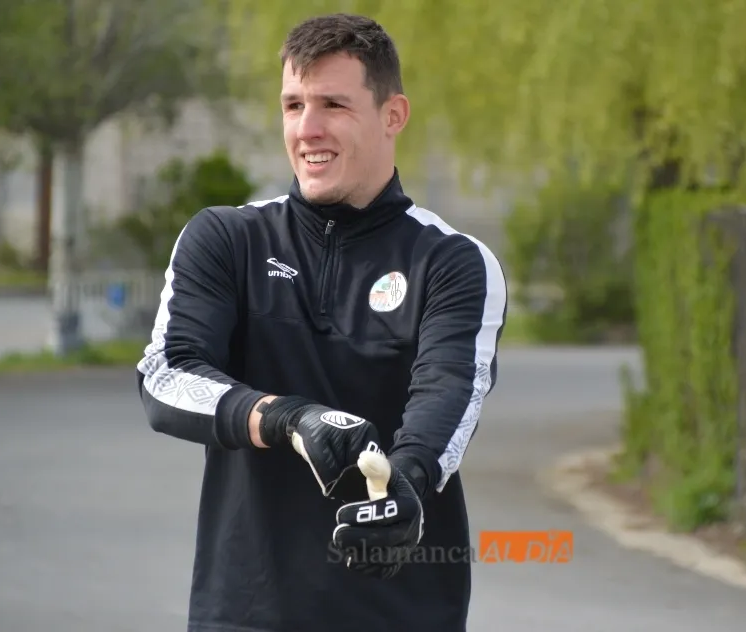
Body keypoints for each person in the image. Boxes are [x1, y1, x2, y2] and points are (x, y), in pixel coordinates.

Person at [134, 12, 508, 632]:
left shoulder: (453, 261)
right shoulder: (226, 238)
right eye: (293, 105)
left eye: (333, 104)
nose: (307, 128)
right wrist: (288, 419)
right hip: (243, 610)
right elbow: (166, 377)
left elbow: (446, 401)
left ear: (393, 115)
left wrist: (404, 486)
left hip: (401, 612)